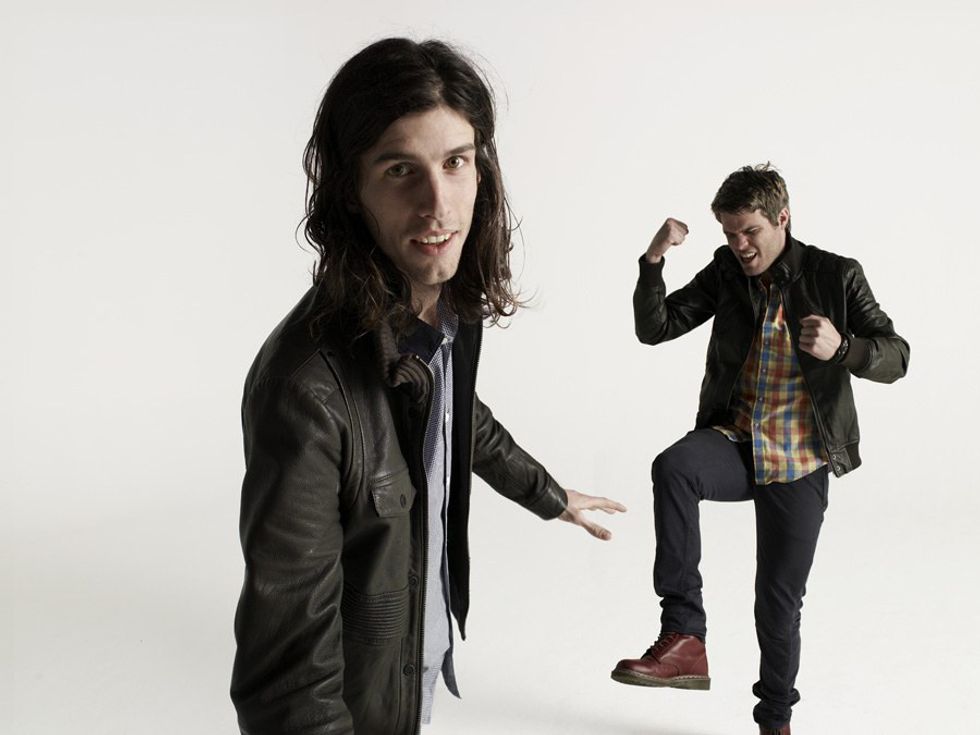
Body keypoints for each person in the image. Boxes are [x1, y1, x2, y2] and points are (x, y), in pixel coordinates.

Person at [229, 38, 625, 735]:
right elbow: (288, 684)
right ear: (351, 190)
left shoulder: (441, 315)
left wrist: (547, 494)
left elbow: (456, 413)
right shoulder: (307, 392)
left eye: (455, 162)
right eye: (399, 170)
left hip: (411, 676)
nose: (437, 204)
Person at [611, 164, 909, 734]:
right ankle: (684, 636)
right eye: (730, 233)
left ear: (782, 219)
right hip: (738, 443)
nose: (740, 245)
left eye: (749, 231)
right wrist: (652, 262)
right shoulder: (727, 270)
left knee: (777, 606)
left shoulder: (836, 275)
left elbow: (897, 356)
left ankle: (774, 721)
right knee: (674, 467)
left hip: (800, 460)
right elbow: (658, 327)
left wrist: (843, 348)